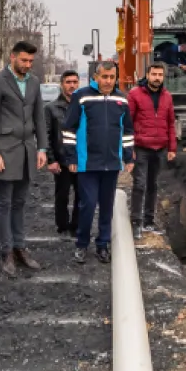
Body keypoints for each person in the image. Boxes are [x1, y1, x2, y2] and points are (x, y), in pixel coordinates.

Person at [0, 40, 48, 276]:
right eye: (24, 60)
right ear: (12, 57)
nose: (28, 65)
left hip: (27, 151)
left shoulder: (34, 82)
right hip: (5, 152)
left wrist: (42, 149)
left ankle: (20, 247)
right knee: (4, 203)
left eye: (31, 61)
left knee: (20, 202)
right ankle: (6, 251)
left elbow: (39, 118)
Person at [62, 61, 135, 264]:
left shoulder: (122, 100)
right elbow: (68, 130)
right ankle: (82, 244)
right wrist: (72, 158)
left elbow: (127, 131)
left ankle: (102, 245)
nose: (108, 81)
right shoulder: (82, 96)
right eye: (104, 77)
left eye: (112, 77)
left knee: (107, 206)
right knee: (88, 205)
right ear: (96, 77)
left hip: (111, 163)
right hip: (87, 163)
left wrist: (128, 157)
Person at [127, 63, 177, 239]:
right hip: (140, 148)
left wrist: (172, 147)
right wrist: (129, 149)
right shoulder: (135, 94)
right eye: (154, 74)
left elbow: (171, 123)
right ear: (147, 75)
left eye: (160, 74)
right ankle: (136, 222)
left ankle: (149, 221)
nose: (157, 77)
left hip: (160, 148)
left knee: (153, 185)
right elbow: (127, 123)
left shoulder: (167, 97)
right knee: (139, 185)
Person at [45, 70, 82, 238]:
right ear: (62, 84)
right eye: (68, 82)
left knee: (81, 195)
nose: (72, 85)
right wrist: (51, 160)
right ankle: (62, 227)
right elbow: (47, 135)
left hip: (81, 159)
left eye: (75, 81)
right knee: (62, 195)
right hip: (61, 160)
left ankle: (76, 226)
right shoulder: (51, 108)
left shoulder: (84, 106)